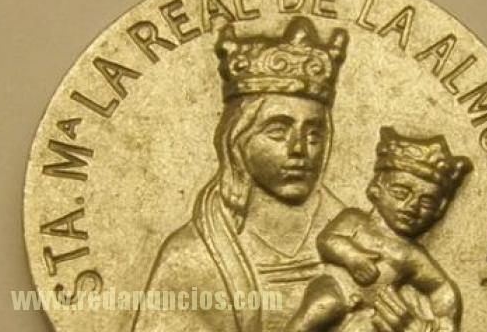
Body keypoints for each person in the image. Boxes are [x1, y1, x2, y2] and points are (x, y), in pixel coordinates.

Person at [132, 17, 350, 331]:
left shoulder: (363, 241)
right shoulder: (191, 257)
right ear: (237, 140)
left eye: (314, 134)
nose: (299, 149)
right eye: (278, 132)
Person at [285, 127, 473, 332]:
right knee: (322, 307)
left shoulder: (412, 256)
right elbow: (326, 240)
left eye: (427, 202)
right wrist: (352, 257)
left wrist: (445, 322)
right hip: (336, 287)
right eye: (401, 193)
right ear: (376, 189)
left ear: (439, 210)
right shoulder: (354, 219)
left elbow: (441, 288)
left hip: (370, 310)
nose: (412, 206)